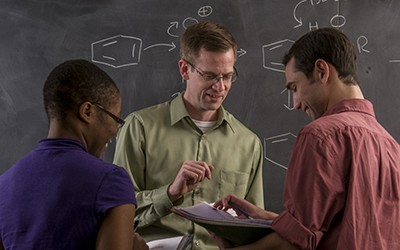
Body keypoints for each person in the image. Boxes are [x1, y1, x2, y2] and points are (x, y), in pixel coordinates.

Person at [212, 27, 400, 250]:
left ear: (321, 71)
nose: (296, 102)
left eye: (295, 87)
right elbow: (348, 227)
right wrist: (269, 218)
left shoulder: (320, 136)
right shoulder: (391, 146)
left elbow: (295, 244)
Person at [113, 21, 264, 249]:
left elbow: (255, 227)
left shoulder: (249, 143)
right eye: (210, 75)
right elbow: (117, 214)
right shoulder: (140, 127)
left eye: (228, 76)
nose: (220, 87)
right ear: (185, 69)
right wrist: (170, 193)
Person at [0, 59, 148, 250]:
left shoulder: (4, 184)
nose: (115, 130)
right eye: (115, 118)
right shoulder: (111, 180)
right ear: (87, 111)